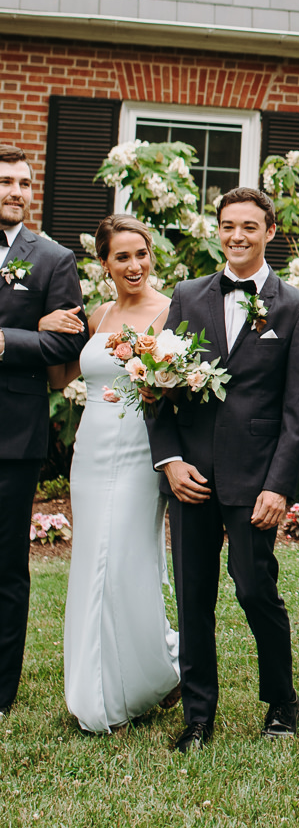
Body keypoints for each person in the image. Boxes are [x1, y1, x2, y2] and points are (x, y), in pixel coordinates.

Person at [144, 186, 299, 751]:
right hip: (190, 476)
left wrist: (278, 486)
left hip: (255, 480)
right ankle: (198, 716)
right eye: (227, 226)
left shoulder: (296, 309)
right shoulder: (188, 296)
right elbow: (156, 386)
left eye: (249, 226)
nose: (237, 236)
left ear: (270, 232)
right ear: (217, 230)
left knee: (254, 590)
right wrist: (170, 462)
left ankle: (280, 700)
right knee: (193, 597)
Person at [48, 216, 180, 732]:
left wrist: (161, 385)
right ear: (104, 263)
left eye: (141, 253)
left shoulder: (172, 310)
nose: (134, 265)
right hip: (92, 449)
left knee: (125, 560)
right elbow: (61, 376)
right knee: (90, 563)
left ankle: (140, 681)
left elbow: (182, 387)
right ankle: (101, 688)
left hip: (139, 450)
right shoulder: (99, 314)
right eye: (122, 256)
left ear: (152, 256)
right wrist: (43, 328)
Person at [0, 146, 88, 718]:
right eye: (5, 181)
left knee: (6, 566)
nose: (15, 191)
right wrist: (22, 321)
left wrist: (8, 340)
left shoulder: (52, 260)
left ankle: (0, 692)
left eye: (23, 184)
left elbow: (67, 343)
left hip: (12, 433)